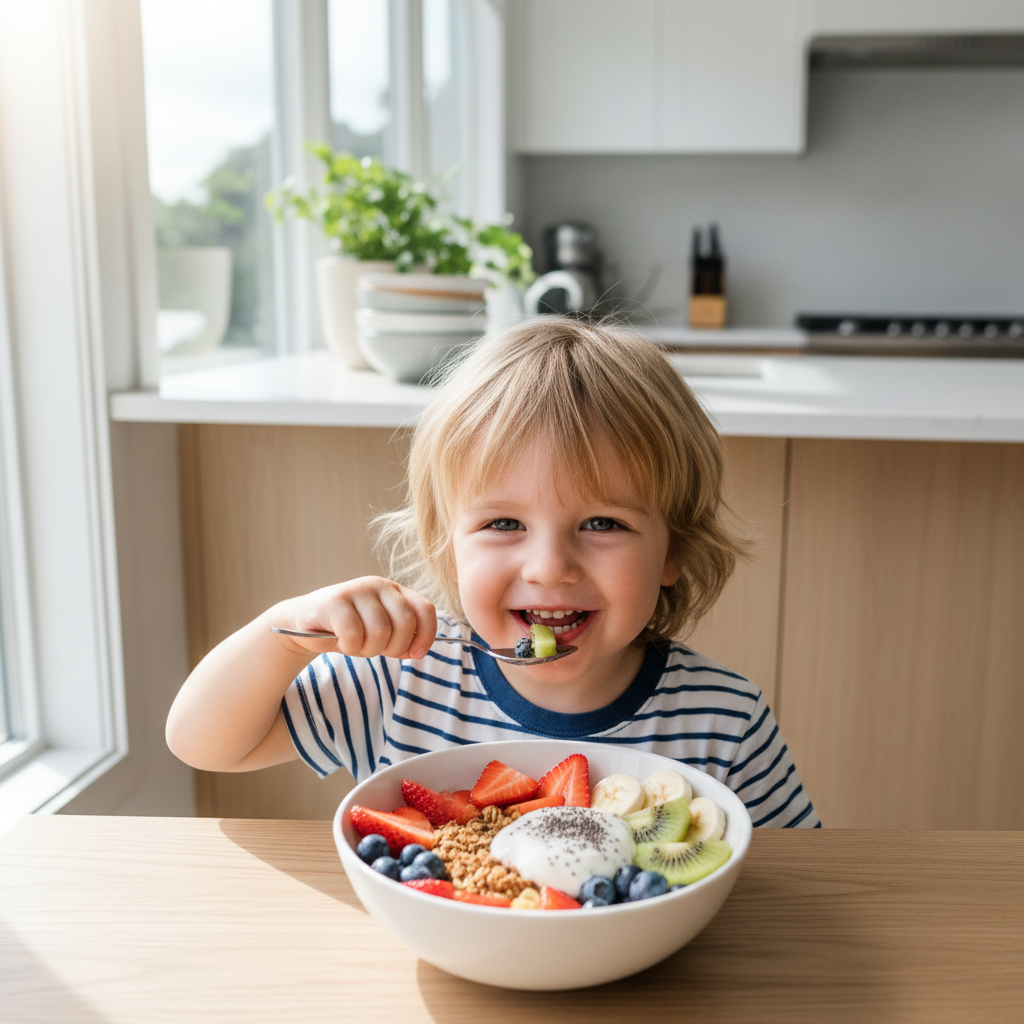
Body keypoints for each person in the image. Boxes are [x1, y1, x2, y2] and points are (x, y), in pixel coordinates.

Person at [166, 318, 819, 828]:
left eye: (603, 524)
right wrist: (288, 629)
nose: (550, 567)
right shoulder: (400, 679)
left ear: (673, 549)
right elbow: (203, 743)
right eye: (504, 524)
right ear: (449, 550)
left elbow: (800, 867)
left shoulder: (723, 718)